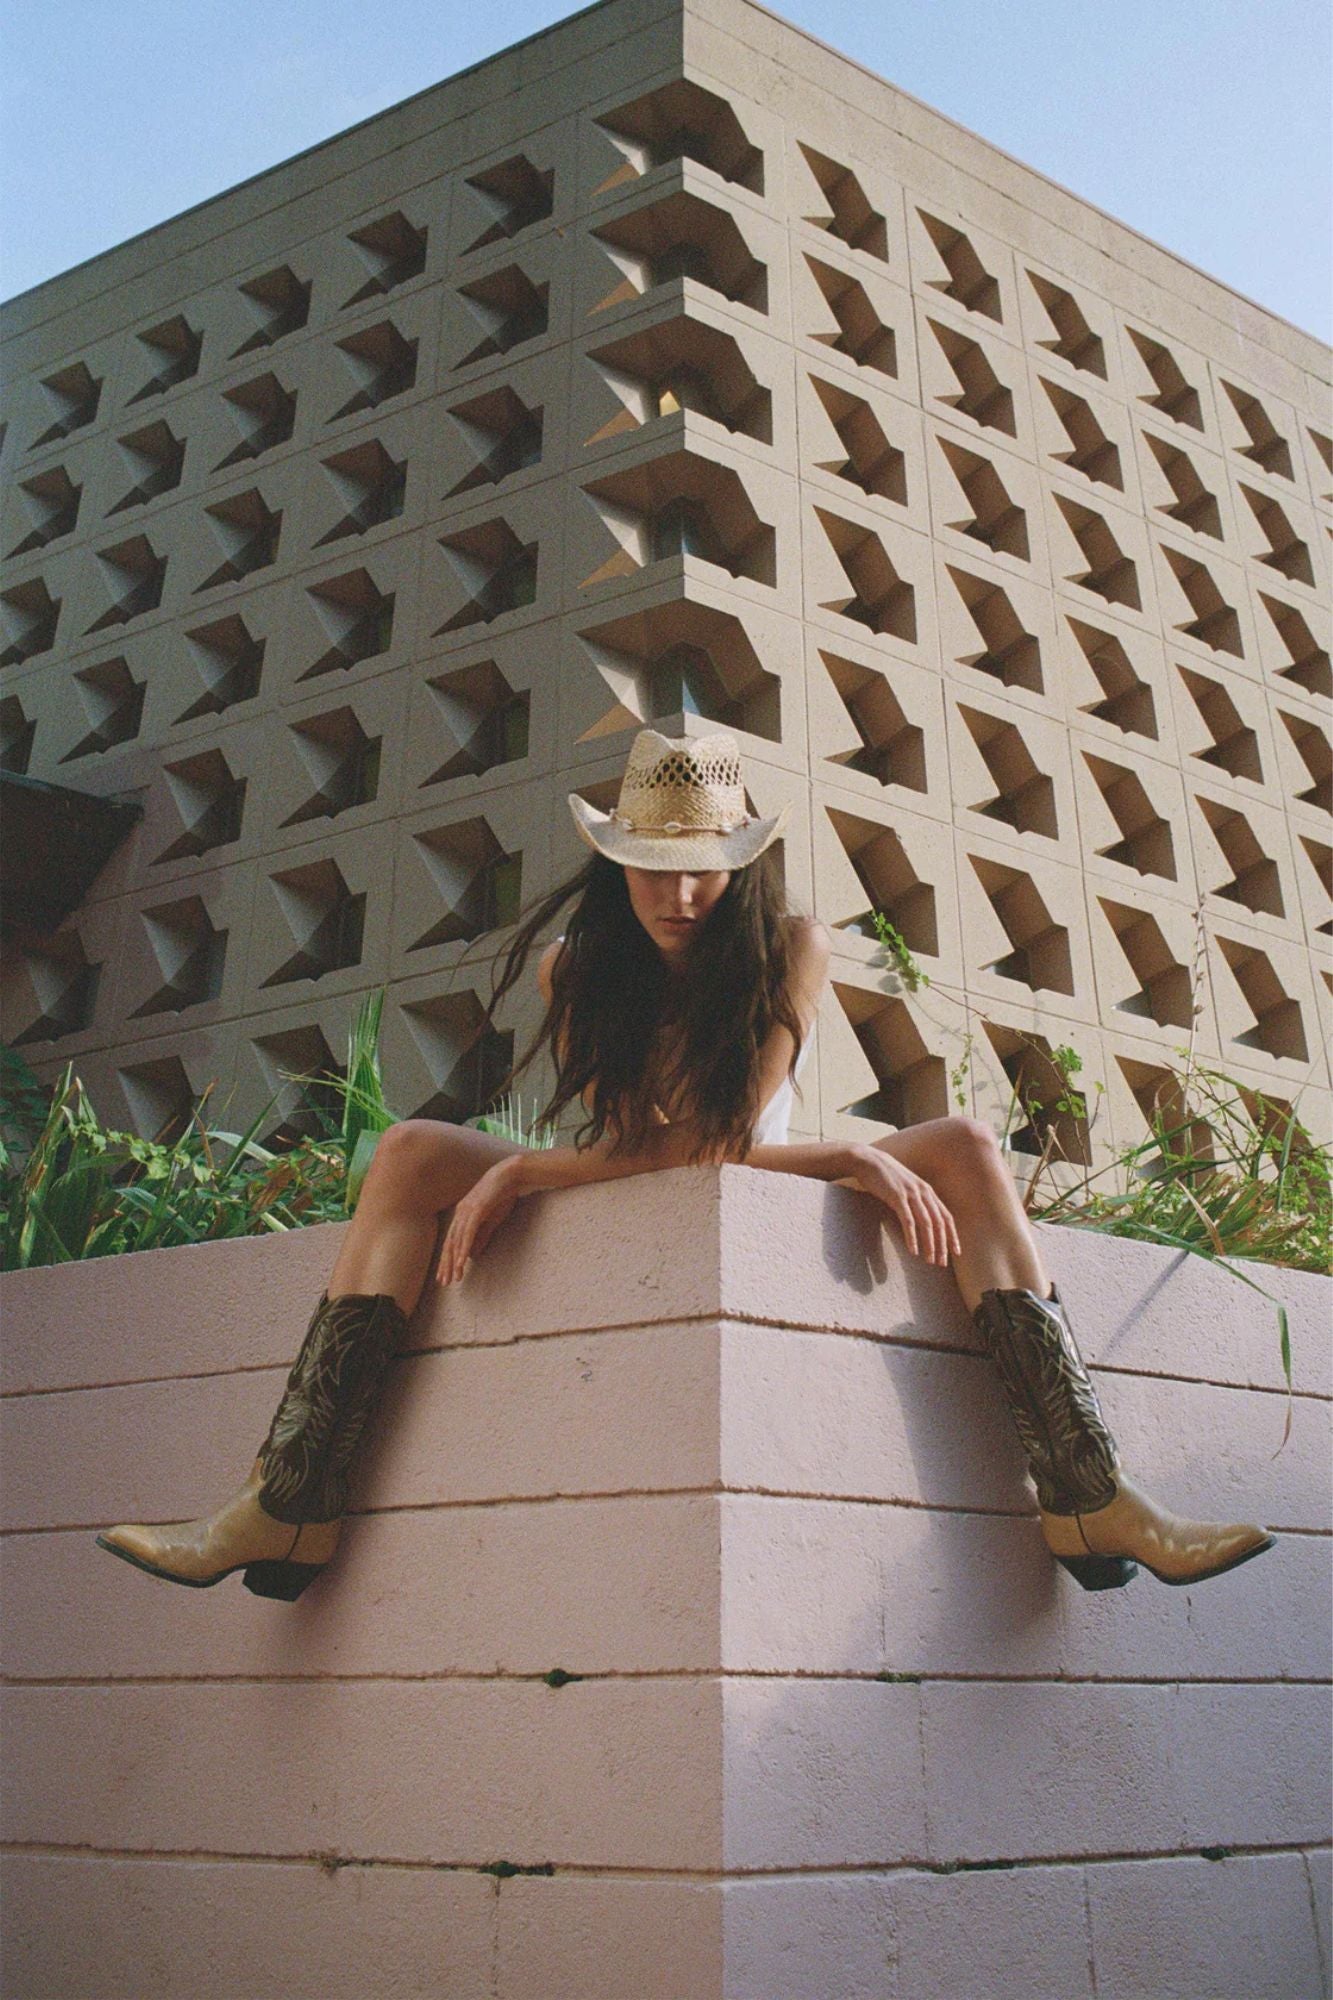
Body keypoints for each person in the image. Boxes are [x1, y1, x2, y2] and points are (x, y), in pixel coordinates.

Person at [97, 729, 1274, 1601]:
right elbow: (644, 1155)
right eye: (651, 865)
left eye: (703, 862)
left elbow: (722, 1144)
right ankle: (289, 1500)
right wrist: (534, 1168)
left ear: (740, 859)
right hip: (685, 1165)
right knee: (407, 1151)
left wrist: (536, 1171)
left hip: (765, 1165)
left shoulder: (791, 947)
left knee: (965, 1144)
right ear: (613, 862)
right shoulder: (577, 966)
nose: (678, 892)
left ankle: (1085, 1491)